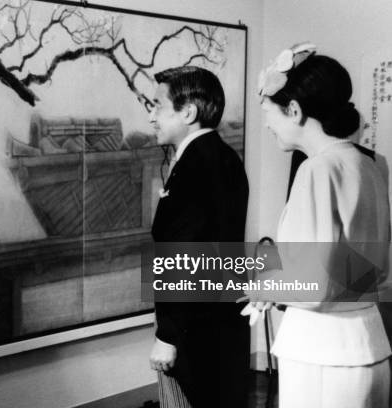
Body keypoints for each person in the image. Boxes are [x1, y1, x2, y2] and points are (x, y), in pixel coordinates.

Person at [257, 43, 392, 407]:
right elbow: (369, 271)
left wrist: (266, 285)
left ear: (295, 111)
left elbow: (312, 285)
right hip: (367, 344)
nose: (266, 123)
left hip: (321, 352)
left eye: (268, 111)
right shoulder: (371, 166)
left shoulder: (317, 169)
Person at [148, 66, 250, 408]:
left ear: (188, 112)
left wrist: (167, 335)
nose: (151, 116)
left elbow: (186, 255)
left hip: (198, 330)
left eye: (157, 105)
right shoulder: (221, 157)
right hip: (217, 324)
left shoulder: (196, 164)